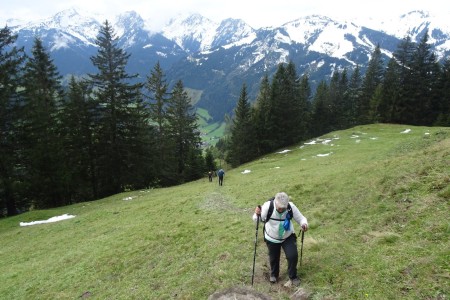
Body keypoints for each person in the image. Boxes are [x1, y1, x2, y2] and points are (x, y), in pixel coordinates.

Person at [252, 192, 308, 287]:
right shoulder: (268, 206)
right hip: (272, 237)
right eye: (279, 207)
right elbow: (258, 220)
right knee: (274, 257)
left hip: (287, 236)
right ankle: (274, 274)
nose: (281, 209)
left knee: (293, 256)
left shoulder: (291, 207)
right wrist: (257, 214)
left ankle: (293, 276)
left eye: (283, 207)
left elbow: (301, 218)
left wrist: (304, 224)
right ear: (275, 203)